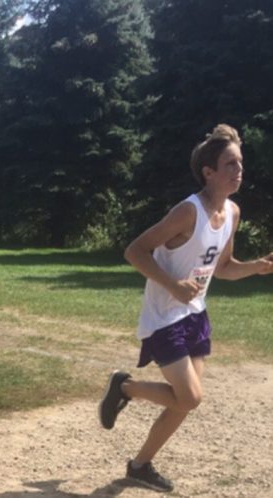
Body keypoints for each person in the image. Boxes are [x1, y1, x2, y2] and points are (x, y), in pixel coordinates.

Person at [99, 124, 273, 492]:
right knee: (190, 398)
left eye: (240, 163)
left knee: (182, 403)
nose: (239, 170)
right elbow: (135, 251)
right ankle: (125, 387)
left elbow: (222, 268)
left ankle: (140, 464)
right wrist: (174, 286)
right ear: (208, 172)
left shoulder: (233, 213)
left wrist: (255, 266)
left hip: (195, 315)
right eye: (230, 164)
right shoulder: (188, 212)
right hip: (164, 317)